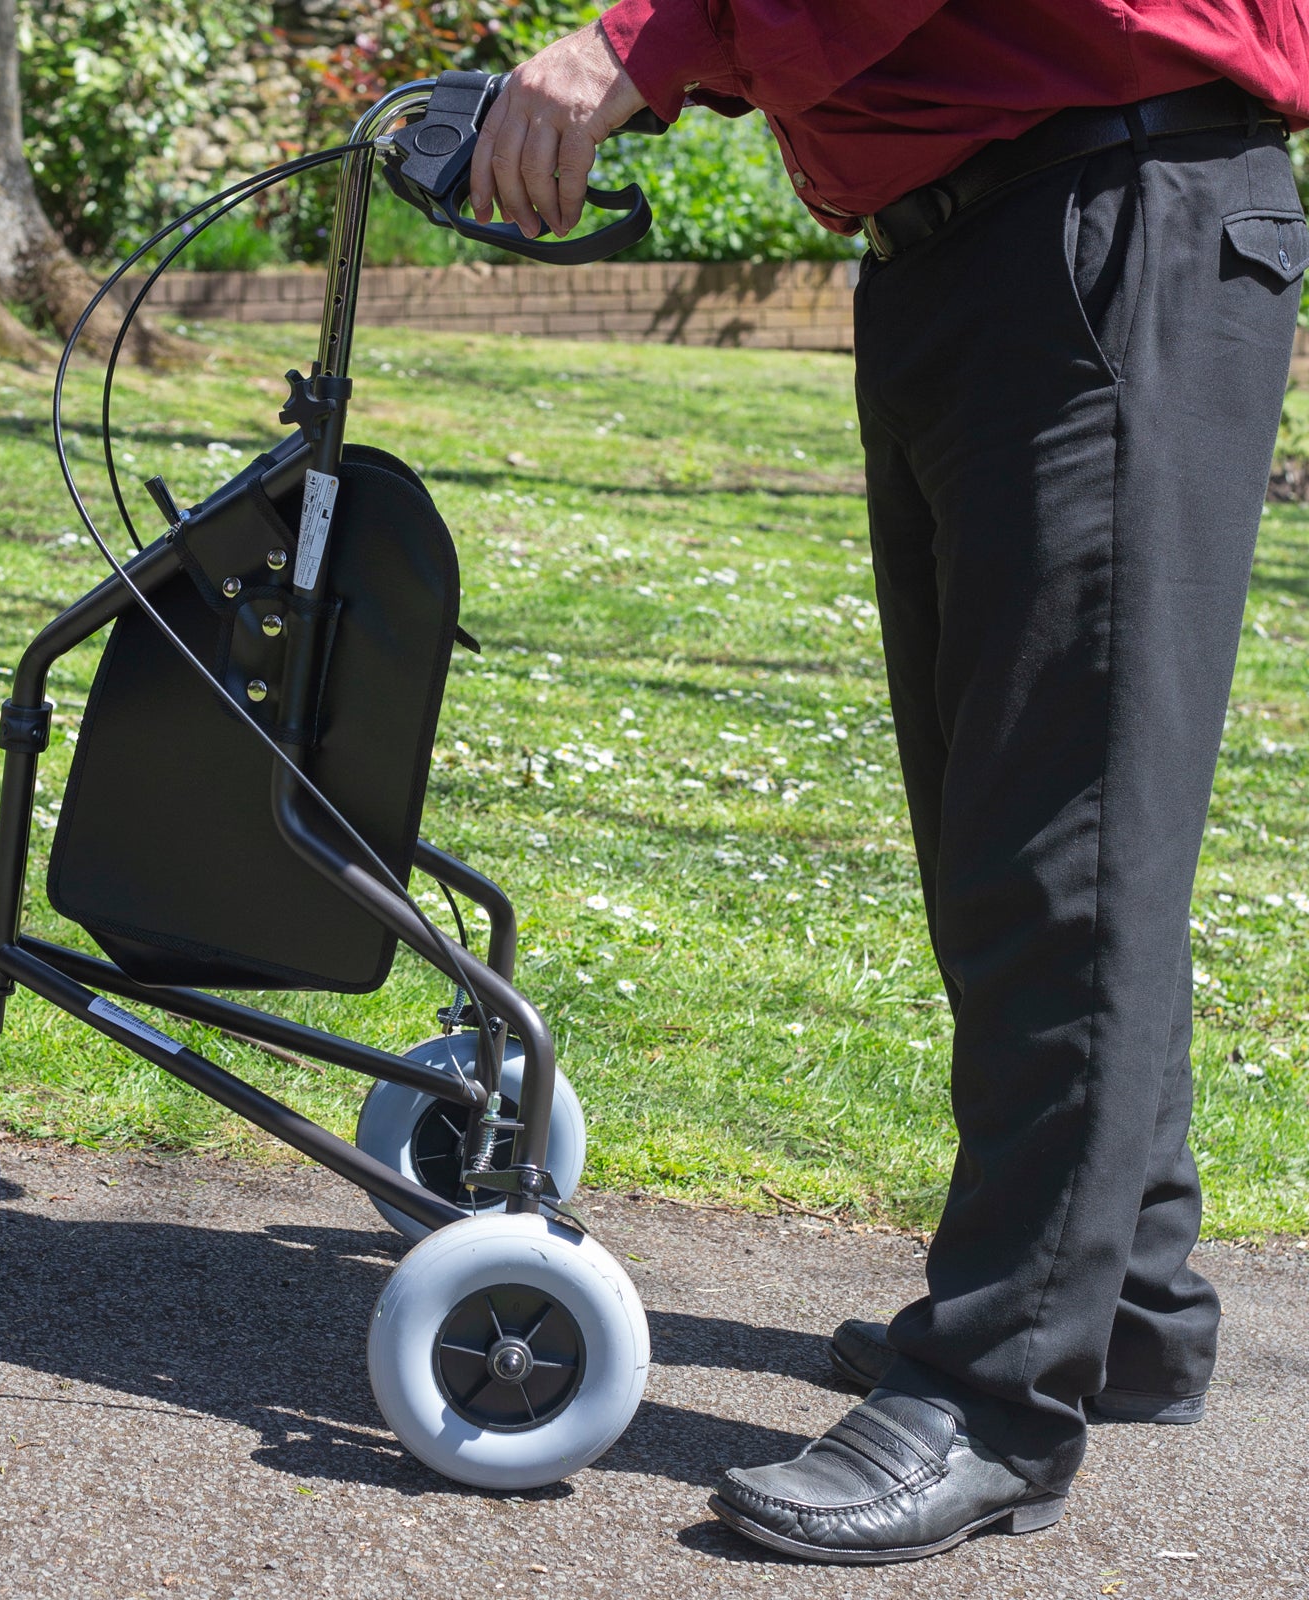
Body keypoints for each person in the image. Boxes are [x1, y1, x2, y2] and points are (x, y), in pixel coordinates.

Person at [468, 1, 1309, 1566]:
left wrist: (635, 47)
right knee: (1028, 815)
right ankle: (1122, 1302)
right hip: (983, 241)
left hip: (1106, 209)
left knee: (1066, 841)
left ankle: (995, 1395)